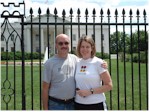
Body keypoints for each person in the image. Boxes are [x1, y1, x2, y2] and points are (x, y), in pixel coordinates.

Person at [42, 34, 108, 110]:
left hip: (72, 104)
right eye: (60, 43)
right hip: (56, 104)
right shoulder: (49, 63)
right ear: (56, 45)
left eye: (66, 43)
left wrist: (103, 63)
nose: (64, 45)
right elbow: (45, 88)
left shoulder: (75, 59)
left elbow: (89, 62)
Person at [74, 36, 113, 110]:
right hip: (79, 104)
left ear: (92, 48)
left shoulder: (99, 63)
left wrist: (90, 92)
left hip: (96, 104)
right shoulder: (76, 62)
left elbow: (109, 85)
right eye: (82, 46)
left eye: (87, 47)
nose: (84, 49)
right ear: (79, 48)